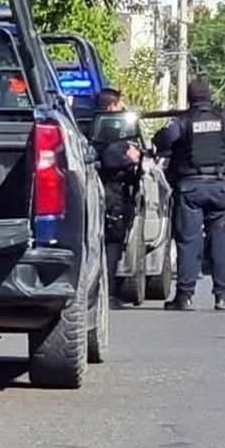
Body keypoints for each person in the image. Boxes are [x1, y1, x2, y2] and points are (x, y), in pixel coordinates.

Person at [153, 80, 225, 311]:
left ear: (189, 98)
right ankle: (222, 295)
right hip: (219, 186)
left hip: (191, 187)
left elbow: (163, 140)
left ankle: (184, 296)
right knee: (220, 240)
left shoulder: (183, 121)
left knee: (189, 241)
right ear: (209, 96)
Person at [94, 88, 142, 307]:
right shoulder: (109, 133)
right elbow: (111, 160)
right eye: (119, 105)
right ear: (111, 107)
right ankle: (106, 292)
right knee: (111, 245)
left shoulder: (89, 126)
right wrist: (130, 158)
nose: (122, 109)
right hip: (111, 194)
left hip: (105, 193)